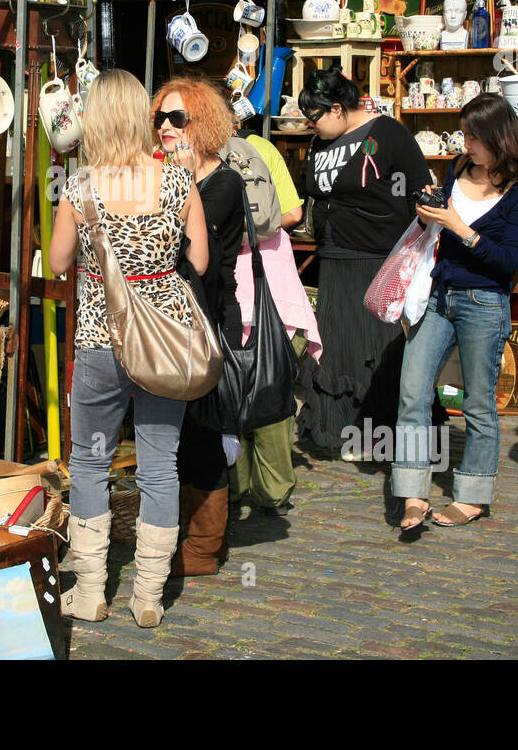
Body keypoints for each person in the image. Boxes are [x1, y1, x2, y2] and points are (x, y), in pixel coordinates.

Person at [48, 70, 209, 627]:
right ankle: (147, 597)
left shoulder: (80, 186)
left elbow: (57, 262)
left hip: (100, 337)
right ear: (140, 115)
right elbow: (203, 262)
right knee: (160, 467)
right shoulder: (177, 182)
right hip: (165, 341)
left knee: (90, 461)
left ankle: (91, 591)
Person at [393, 95, 518, 531]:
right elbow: (436, 228)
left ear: (498, 138)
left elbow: (508, 260)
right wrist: (427, 215)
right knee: (412, 392)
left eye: (474, 137)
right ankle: (413, 492)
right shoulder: (458, 168)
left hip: (484, 302)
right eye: (465, 135)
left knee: (477, 401)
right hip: (439, 293)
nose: (467, 143)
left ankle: (473, 494)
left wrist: (459, 226)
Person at [296, 66, 430, 460]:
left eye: (315, 116)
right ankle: (337, 426)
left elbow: (419, 190)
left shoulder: (386, 134)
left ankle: (380, 433)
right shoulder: (321, 142)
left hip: (376, 256)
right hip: (334, 255)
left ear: (338, 109)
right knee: (337, 344)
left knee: (373, 345)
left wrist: (412, 258)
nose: (310, 124)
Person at [150, 77, 244, 576]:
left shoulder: (224, 183)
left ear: (201, 125)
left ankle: (204, 547)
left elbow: (200, 260)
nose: (165, 126)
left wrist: (183, 183)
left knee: (204, 428)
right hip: (168, 322)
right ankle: (176, 532)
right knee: (175, 428)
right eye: (160, 118)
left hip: (207, 322)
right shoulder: (164, 176)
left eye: (177, 118)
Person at [226, 116, 322, 513]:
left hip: (246, 293)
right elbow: (293, 213)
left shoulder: (193, 158)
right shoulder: (259, 149)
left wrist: (233, 232)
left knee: (237, 398)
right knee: (266, 395)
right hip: (271, 295)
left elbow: (294, 213)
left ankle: (244, 487)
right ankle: (268, 489)